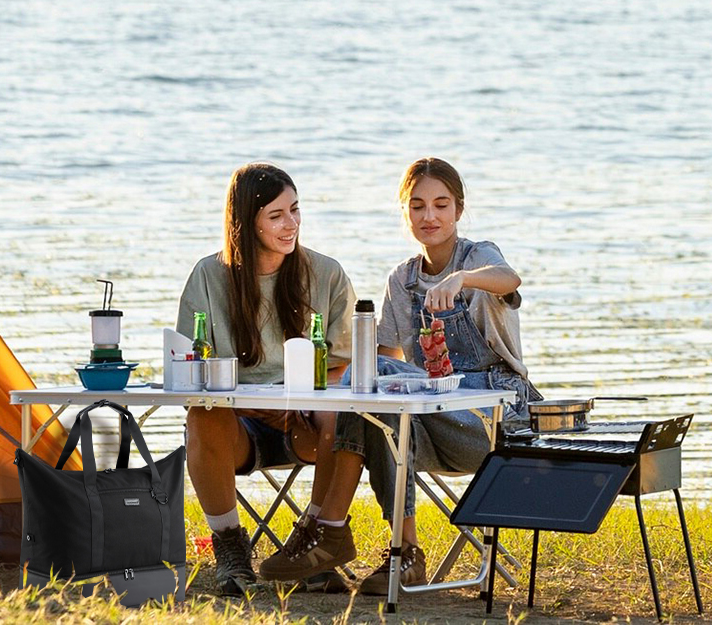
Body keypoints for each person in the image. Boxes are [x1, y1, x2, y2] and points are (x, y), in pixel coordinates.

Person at [258, 157, 541, 593]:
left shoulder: (478, 257)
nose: (429, 216)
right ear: (405, 212)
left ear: (458, 210)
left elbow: (509, 278)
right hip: (430, 411)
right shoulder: (402, 280)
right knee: (378, 407)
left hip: (495, 414)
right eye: (418, 206)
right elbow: (385, 363)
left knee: (372, 375)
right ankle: (405, 555)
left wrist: (463, 280)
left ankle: (325, 527)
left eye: (441, 205)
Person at [177, 162, 356, 596]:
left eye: (295, 210)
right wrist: (262, 405)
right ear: (246, 222)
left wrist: (294, 403)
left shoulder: (326, 273)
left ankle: (313, 542)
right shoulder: (209, 275)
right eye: (276, 215)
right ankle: (231, 548)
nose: (291, 224)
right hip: (239, 424)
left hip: (306, 423)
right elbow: (189, 370)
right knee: (202, 414)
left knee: (343, 415)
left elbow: (343, 366)